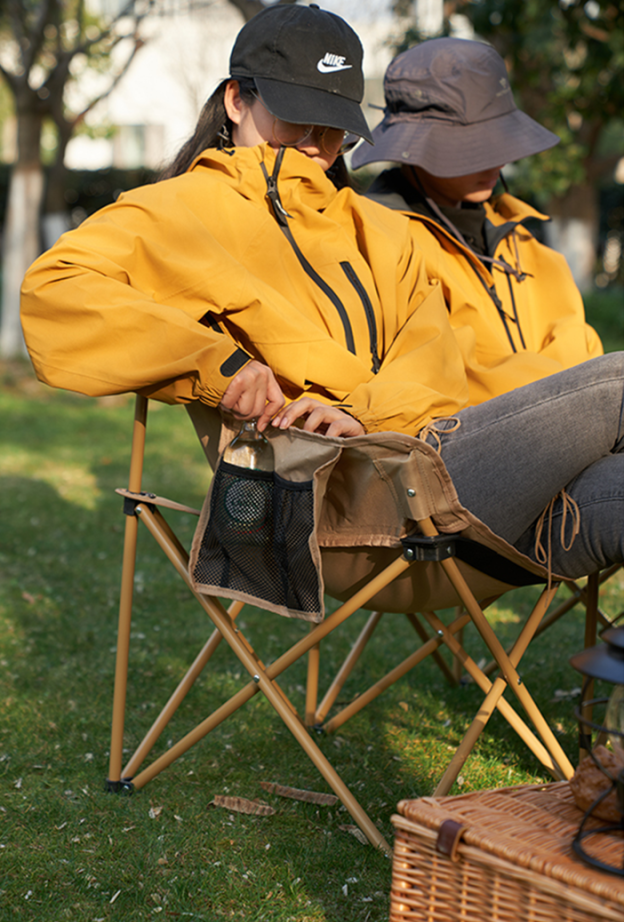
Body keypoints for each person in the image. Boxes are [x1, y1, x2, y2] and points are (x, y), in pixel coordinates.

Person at [20, 5, 623, 582]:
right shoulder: (176, 211)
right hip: (326, 509)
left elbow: (437, 364)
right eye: (295, 116)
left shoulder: (380, 228)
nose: (314, 142)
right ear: (236, 100)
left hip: (428, 471)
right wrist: (217, 366)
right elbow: (56, 294)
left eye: (333, 127)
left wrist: (364, 413)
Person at [350, 38, 603, 407]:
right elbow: (444, 371)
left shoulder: (524, 241)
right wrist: (575, 388)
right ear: (417, 147)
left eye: (499, 139)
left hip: (570, 425)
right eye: (475, 145)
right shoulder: (380, 238)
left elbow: (582, 343)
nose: (497, 160)